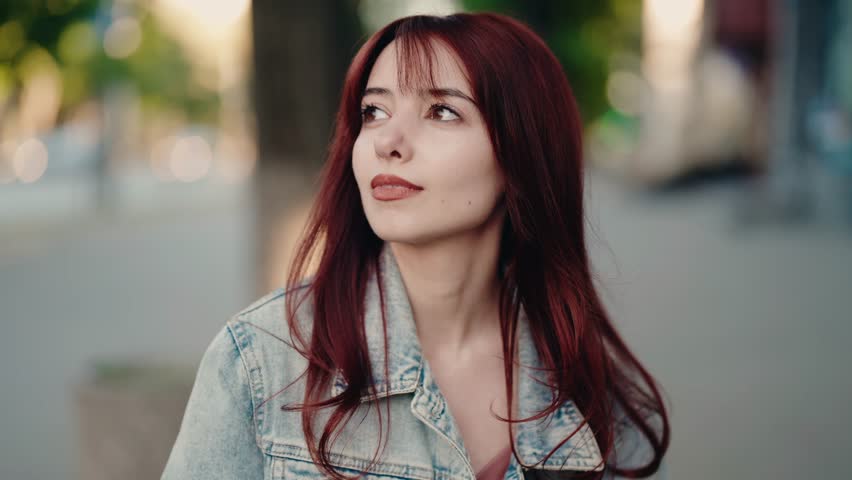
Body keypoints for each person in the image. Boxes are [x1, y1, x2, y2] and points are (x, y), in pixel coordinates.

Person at [162, 12, 670, 480]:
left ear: (522, 153)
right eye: (374, 110)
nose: (389, 141)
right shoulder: (261, 359)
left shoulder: (589, 384)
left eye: (442, 111)